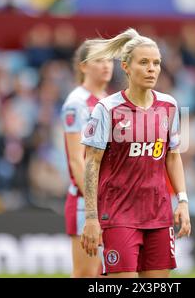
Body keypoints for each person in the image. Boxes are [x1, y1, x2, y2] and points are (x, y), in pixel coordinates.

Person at [80, 28, 191, 278]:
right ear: (126, 67)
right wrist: (90, 217)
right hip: (119, 215)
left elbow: (173, 156)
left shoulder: (172, 106)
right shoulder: (105, 109)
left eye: (156, 63)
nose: (152, 69)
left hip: (158, 216)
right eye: (144, 62)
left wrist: (183, 201)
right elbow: (91, 163)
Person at [61, 40, 114, 277]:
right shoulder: (77, 103)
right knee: (87, 274)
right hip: (86, 202)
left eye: (109, 60)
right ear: (83, 67)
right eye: (99, 60)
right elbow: (76, 160)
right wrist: (95, 202)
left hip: (110, 199)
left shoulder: (109, 101)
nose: (106, 66)